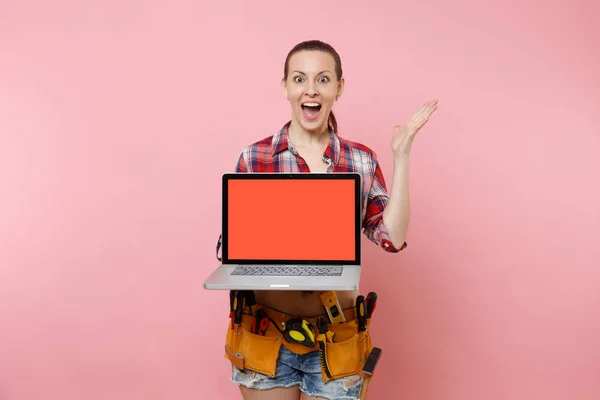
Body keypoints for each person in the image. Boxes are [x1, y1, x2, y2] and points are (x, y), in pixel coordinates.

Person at [224, 40, 438, 400]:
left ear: (339, 88)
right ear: (286, 88)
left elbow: (393, 238)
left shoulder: (360, 160)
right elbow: (240, 244)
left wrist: (401, 157)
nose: (310, 89)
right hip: (265, 333)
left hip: (336, 336)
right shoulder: (255, 157)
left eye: (323, 79)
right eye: (299, 79)